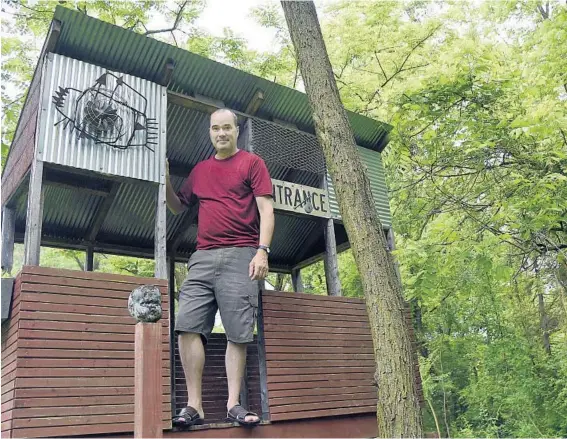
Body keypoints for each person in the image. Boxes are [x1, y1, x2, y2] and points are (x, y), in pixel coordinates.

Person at [165, 108, 274, 428]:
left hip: (242, 253)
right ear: (210, 133)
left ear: (236, 130)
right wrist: (165, 179)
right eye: (216, 128)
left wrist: (262, 252)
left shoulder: (252, 164)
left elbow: (267, 210)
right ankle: (193, 405)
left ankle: (233, 404)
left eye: (227, 128)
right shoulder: (200, 171)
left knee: (237, 331)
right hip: (203, 256)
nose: (221, 133)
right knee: (186, 324)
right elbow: (176, 206)